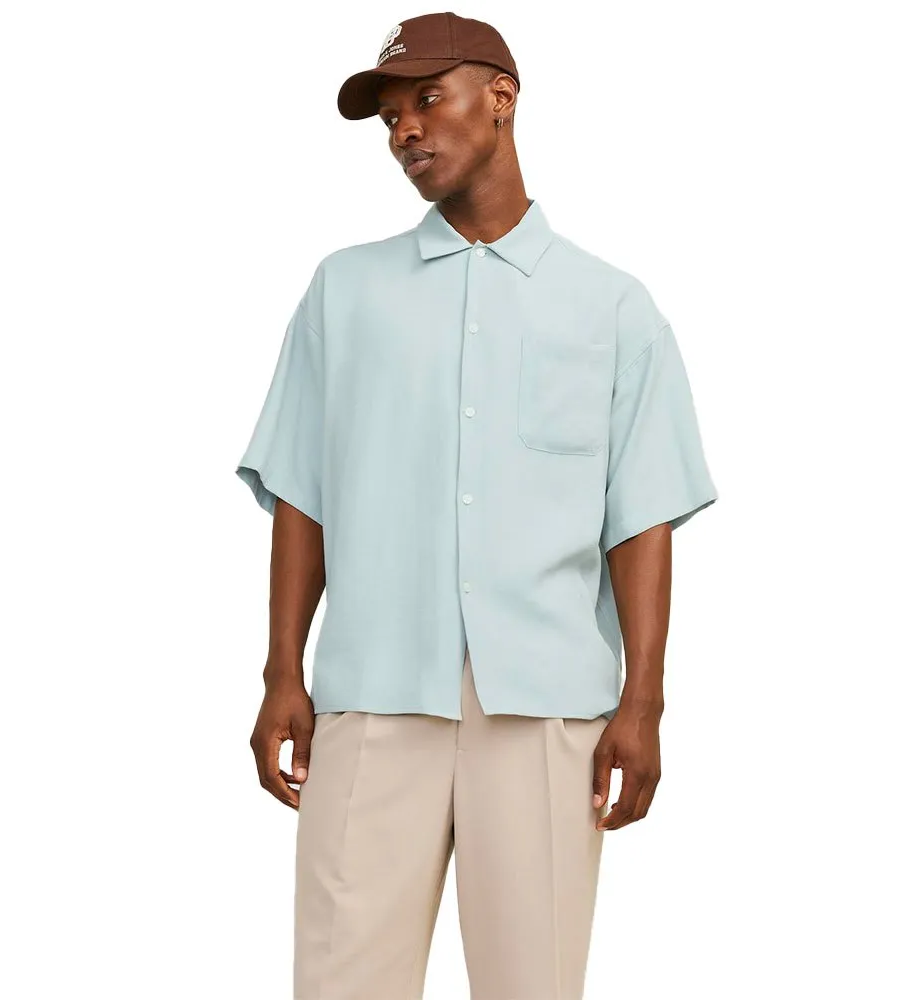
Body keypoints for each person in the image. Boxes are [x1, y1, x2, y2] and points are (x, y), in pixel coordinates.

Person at [236, 12, 718, 999]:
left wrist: (644, 701)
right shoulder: (344, 291)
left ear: (501, 98)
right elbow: (302, 493)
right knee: (340, 983)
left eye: (427, 99)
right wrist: (283, 670)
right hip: (372, 693)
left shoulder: (611, 307)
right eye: (390, 118)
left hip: (546, 707)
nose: (406, 130)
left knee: (532, 984)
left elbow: (640, 516)